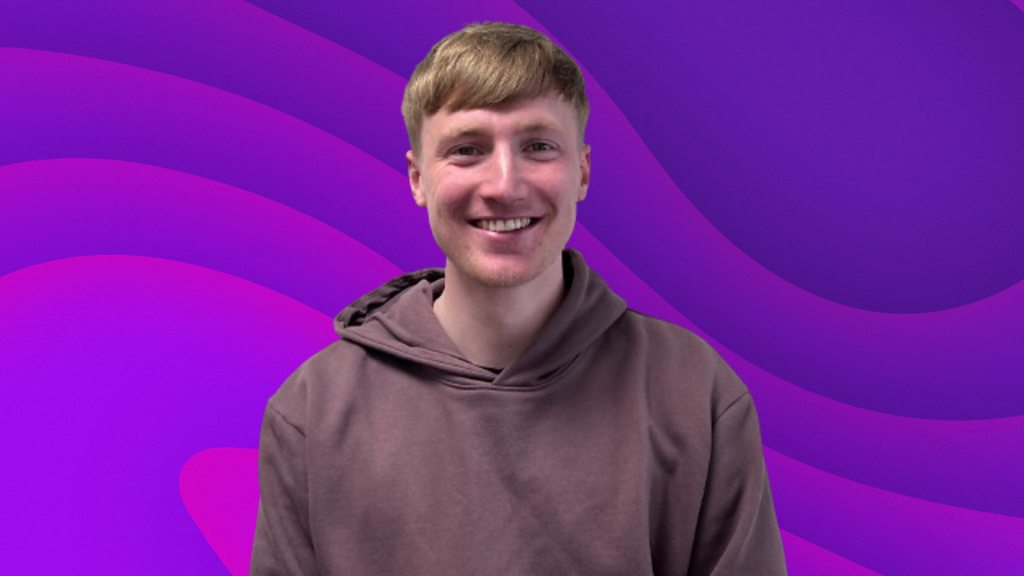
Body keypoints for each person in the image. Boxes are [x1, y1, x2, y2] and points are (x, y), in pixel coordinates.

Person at [251, 21, 786, 575]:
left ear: (582, 172)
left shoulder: (694, 391)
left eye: (538, 147)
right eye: (466, 150)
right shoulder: (313, 408)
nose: (505, 184)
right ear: (417, 179)